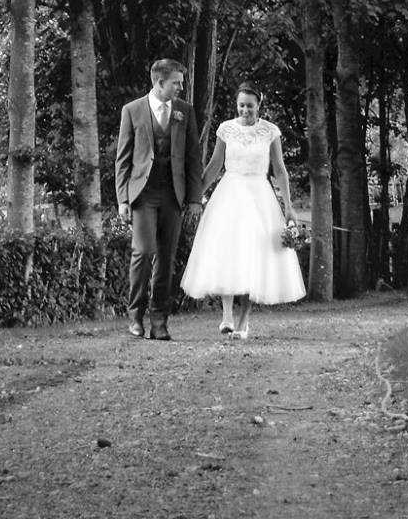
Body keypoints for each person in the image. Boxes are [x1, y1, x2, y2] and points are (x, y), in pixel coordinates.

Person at [180, 81, 306, 339]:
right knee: (226, 251)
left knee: (253, 255)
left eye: (250, 106)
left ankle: (244, 321)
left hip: (259, 195)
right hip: (229, 194)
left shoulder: (270, 132)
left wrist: (288, 205)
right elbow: (214, 166)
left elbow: (279, 169)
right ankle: (227, 315)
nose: (245, 110)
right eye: (241, 105)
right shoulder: (226, 129)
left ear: (259, 105)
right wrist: (195, 196)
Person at [115, 58, 203, 341]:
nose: (181, 87)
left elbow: (193, 157)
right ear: (160, 82)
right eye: (176, 82)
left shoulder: (185, 111)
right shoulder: (132, 110)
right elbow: (123, 159)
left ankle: (159, 321)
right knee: (143, 252)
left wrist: (194, 198)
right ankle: (135, 316)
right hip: (143, 194)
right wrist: (122, 199)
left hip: (173, 194)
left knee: (166, 258)